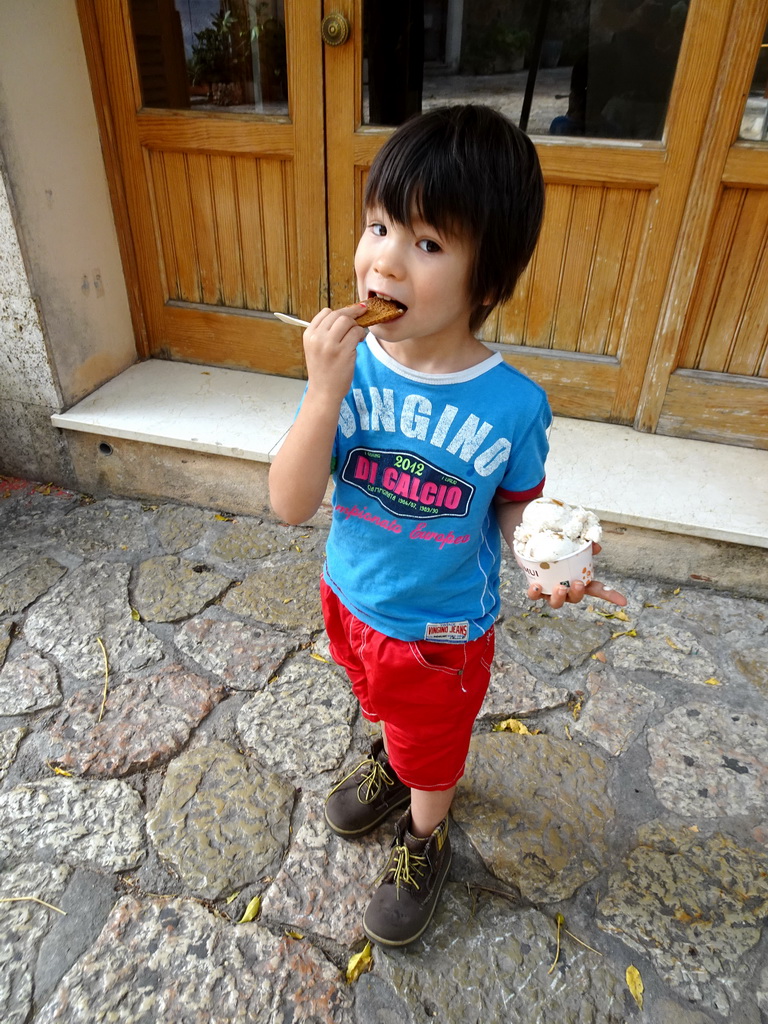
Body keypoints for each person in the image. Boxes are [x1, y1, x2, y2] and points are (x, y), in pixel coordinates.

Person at [269, 104, 626, 948]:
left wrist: (545, 552)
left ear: (488, 282)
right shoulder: (347, 371)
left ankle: (425, 836)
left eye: (428, 244)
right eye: (379, 224)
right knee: (378, 704)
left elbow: (514, 504)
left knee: (434, 749)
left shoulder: (512, 405)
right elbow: (288, 503)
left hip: (442, 632)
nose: (385, 257)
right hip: (350, 601)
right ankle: (392, 761)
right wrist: (323, 392)